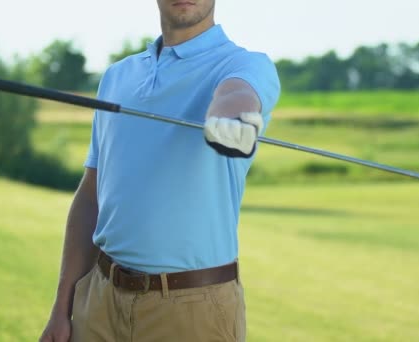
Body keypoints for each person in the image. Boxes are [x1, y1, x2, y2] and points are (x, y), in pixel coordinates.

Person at [39, 0, 280, 341]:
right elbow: (92, 195)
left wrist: (229, 116)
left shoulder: (246, 64)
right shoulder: (116, 77)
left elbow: (237, 93)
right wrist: (62, 308)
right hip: (98, 300)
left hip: (192, 309)